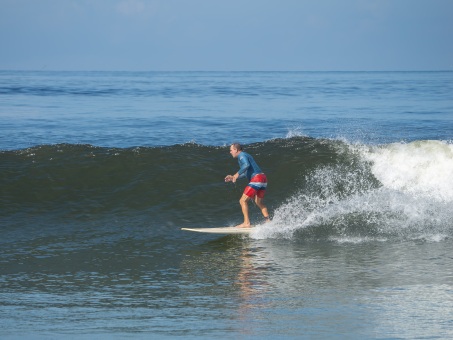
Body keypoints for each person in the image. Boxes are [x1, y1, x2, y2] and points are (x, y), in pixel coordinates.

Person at [224, 143, 270, 228]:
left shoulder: (241, 155)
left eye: (231, 150)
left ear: (236, 150)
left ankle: (246, 223)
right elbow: (246, 173)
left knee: (242, 201)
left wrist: (236, 174)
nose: (230, 152)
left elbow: (246, 165)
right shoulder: (246, 155)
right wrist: (233, 177)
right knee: (258, 202)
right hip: (263, 178)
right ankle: (268, 221)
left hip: (257, 179)